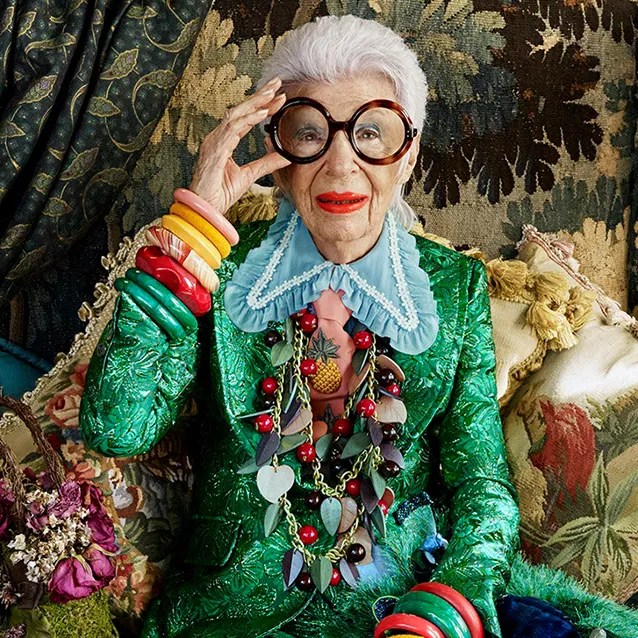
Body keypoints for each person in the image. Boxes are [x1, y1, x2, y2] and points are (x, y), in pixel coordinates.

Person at [79, 15, 638, 638]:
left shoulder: (453, 289)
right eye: (309, 133)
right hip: (233, 615)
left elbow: (482, 483)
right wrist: (195, 227)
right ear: (278, 157)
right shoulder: (217, 268)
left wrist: (448, 604)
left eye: (371, 132)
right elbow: (115, 427)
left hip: (394, 608)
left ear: (408, 155)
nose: (341, 164)